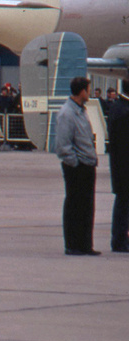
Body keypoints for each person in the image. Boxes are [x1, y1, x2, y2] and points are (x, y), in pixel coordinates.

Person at [56, 76, 100, 255]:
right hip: (77, 167)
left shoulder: (82, 111)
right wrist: (75, 163)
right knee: (74, 205)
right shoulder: (67, 113)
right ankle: (73, 244)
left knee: (87, 206)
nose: (89, 93)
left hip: (87, 165)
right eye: (88, 90)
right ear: (82, 91)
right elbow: (63, 145)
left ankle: (85, 245)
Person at [106, 80, 129, 253]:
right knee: (123, 206)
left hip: (120, 166)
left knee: (122, 205)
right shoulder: (124, 112)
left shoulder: (117, 107)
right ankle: (120, 241)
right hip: (124, 167)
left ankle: (120, 239)